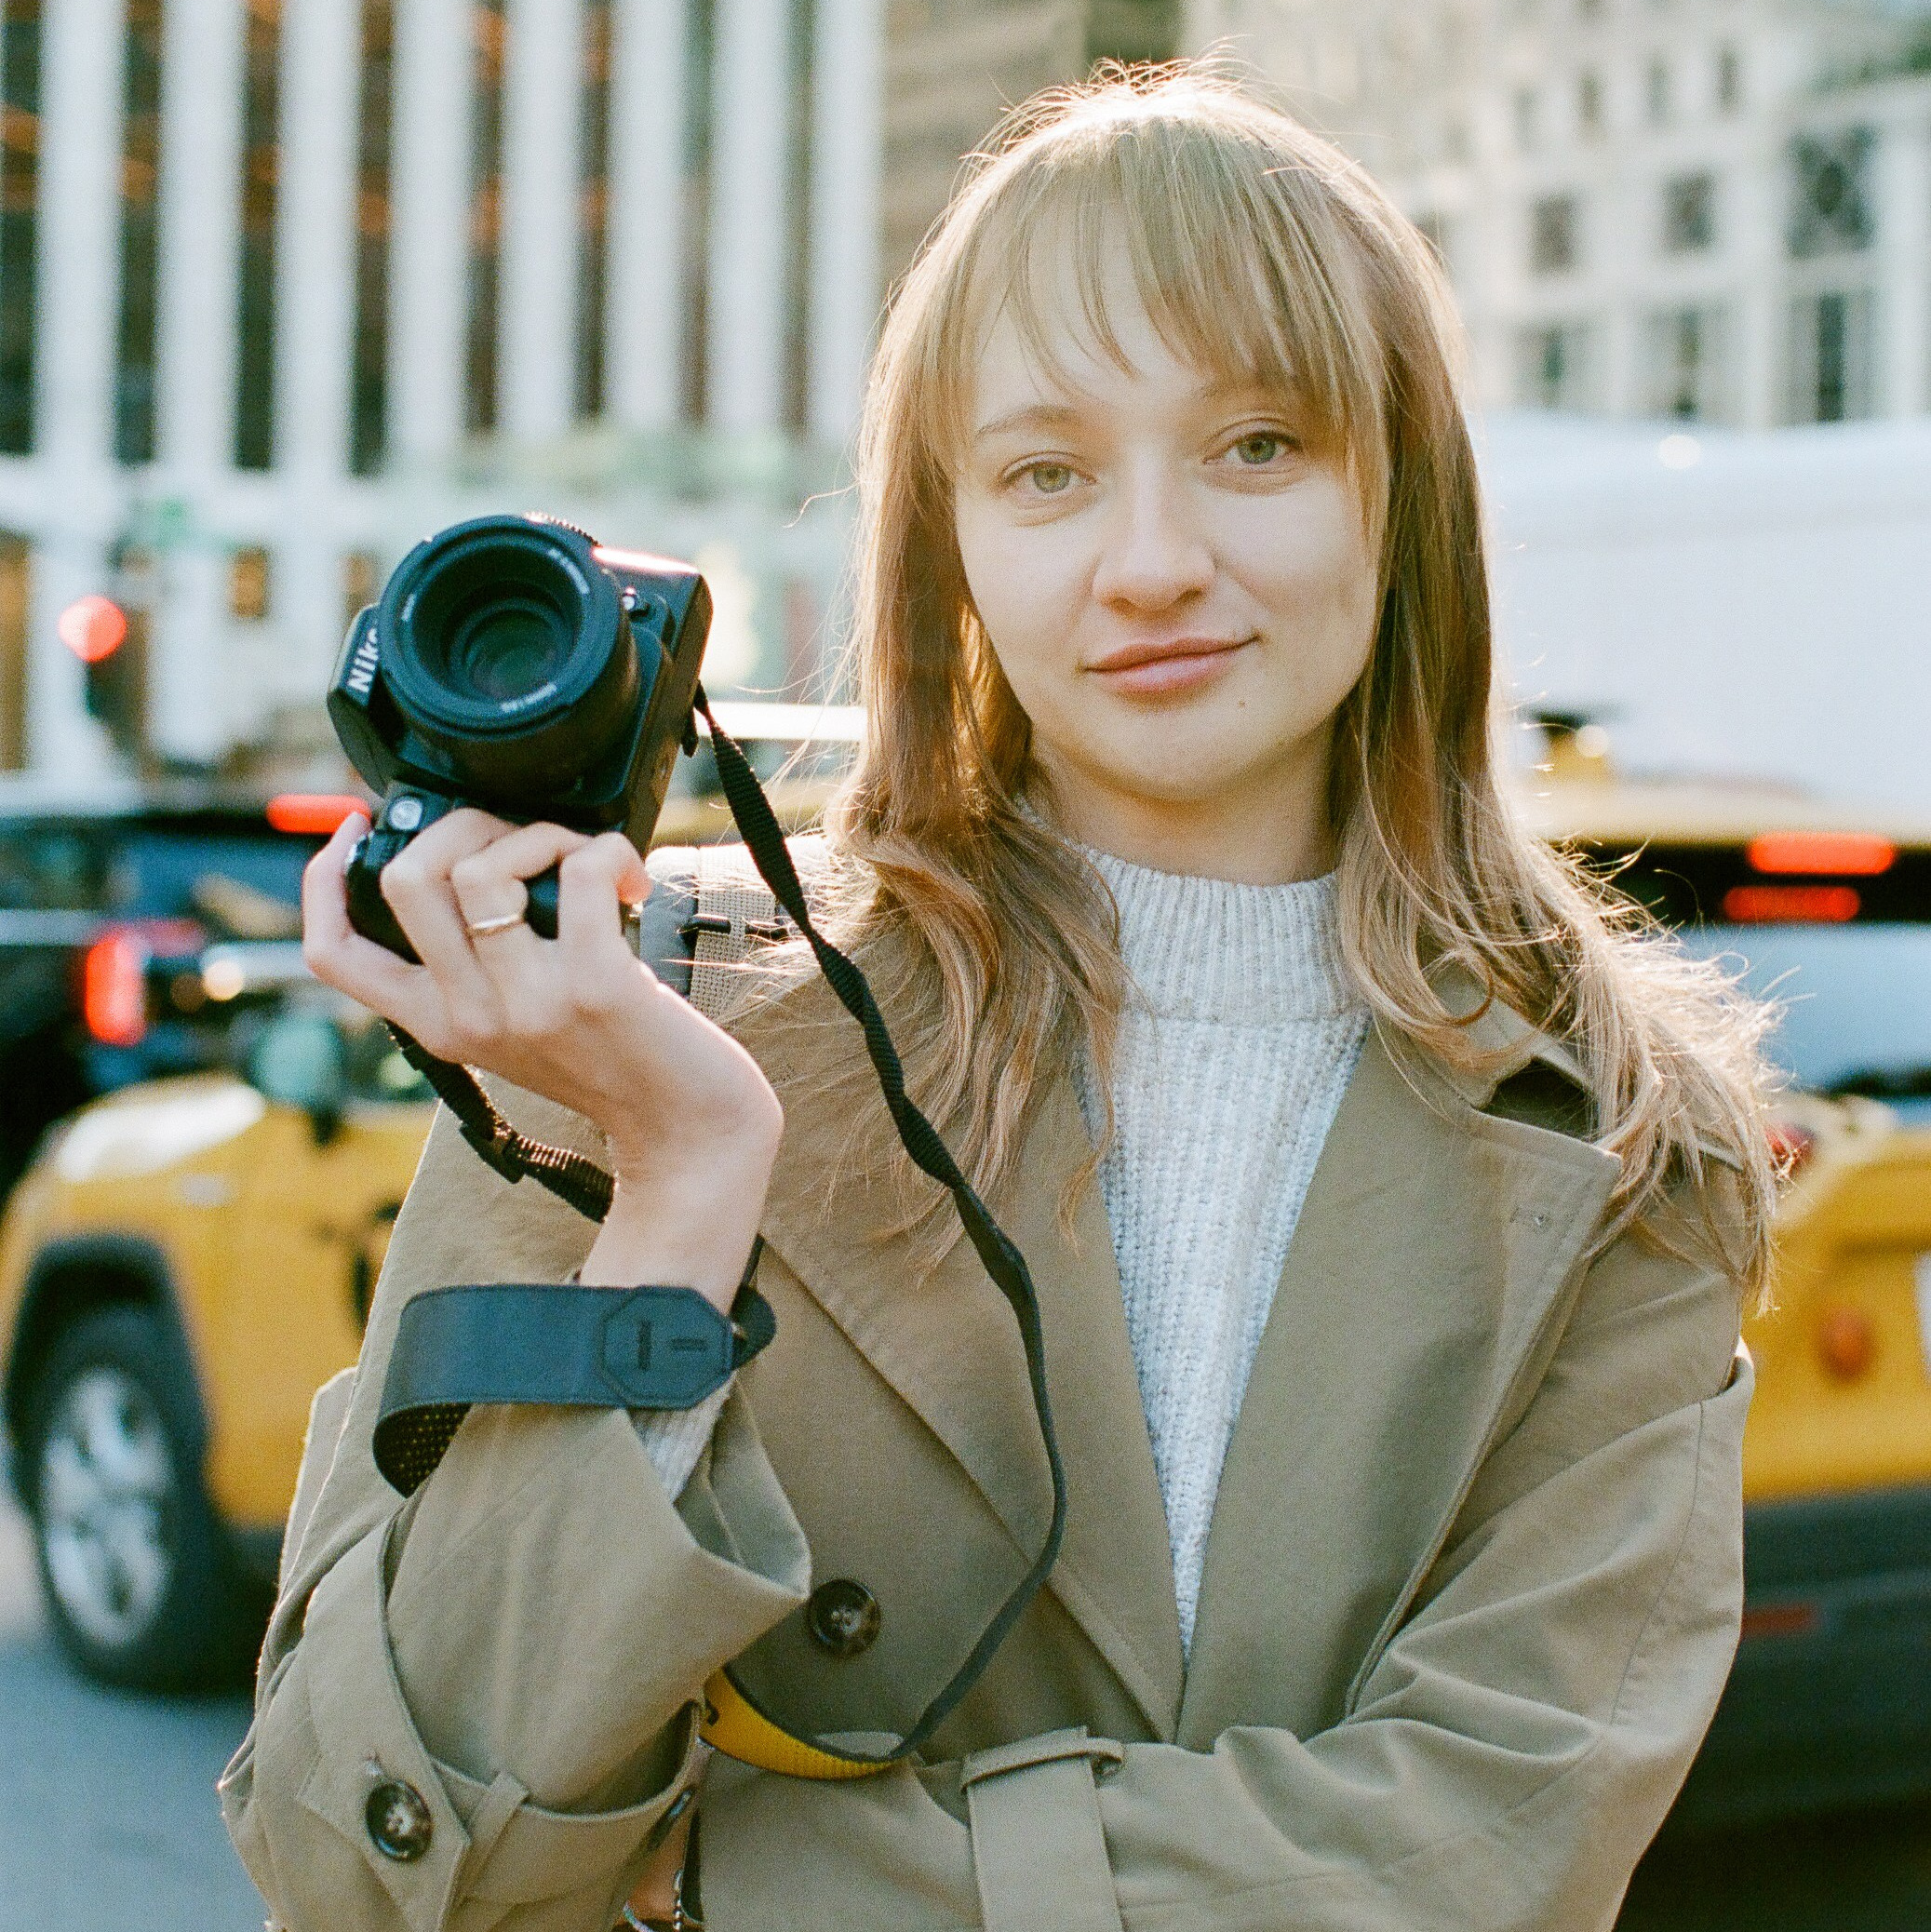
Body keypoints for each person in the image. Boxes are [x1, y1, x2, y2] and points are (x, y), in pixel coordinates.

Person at [221, 65, 1777, 1932]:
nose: (1154, 564)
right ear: (947, 540)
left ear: (1404, 494)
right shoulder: (658, 1015)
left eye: (1258, 444)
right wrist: (679, 1183)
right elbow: (370, 1868)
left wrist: (748, 1885)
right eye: (1048, 472)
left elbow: (1487, 1860)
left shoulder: (1625, 1139)